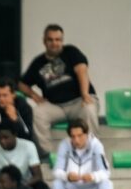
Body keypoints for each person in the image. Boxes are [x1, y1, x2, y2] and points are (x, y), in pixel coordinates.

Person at [19, 25, 98, 156]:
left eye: (58, 39)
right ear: (44, 41)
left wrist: (84, 93)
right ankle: (46, 154)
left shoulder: (71, 51)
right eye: (50, 40)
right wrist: (35, 96)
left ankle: (91, 152)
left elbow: (82, 70)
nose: (54, 43)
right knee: (37, 112)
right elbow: (22, 84)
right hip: (55, 106)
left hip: (79, 101)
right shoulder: (38, 62)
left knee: (89, 109)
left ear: (62, 40)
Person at [0, 78, 34, 146]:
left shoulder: (25, 108)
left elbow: (28, 136)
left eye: (5, 95)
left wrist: (15, 120)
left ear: (13, 94)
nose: (1, 99)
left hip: (20, 145)